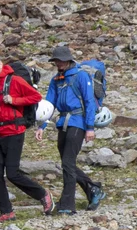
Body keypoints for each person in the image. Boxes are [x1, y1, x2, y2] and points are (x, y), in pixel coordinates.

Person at [0, 54, 53, 222]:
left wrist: (15, 100)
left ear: (0, 64)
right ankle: (6, 211)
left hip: (14, 132)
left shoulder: (14, 80)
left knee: (12, 173)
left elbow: (35, 97)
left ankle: (43, 195)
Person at [44, 44, 104, 214]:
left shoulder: (81, 76)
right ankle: (93, 188)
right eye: (56, 60)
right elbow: (49, 104)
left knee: (68, 163)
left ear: (68, 60)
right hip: (63, 122)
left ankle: (67, 205)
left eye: (61, 60)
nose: (59, 63)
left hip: (78, 122)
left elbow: (89, 102)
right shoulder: (56, 79)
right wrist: (42, 124)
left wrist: (90, 127)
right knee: (67, 163)